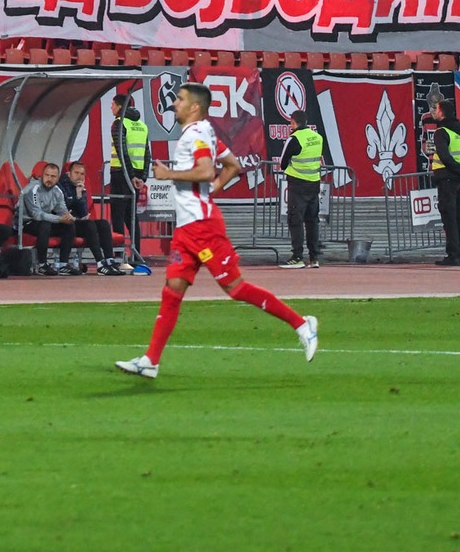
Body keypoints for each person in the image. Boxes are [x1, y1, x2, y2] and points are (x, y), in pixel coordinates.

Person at [115, 82, 318, 380]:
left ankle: (302, 324)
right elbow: (232, 165)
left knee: (235, 288)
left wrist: (169, 174)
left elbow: (206, 170)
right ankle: (150, 360)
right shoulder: (206, 131)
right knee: (172, 289)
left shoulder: (195, 134)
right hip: (187, 228)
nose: (174, 104)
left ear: (194, 107)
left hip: (203, 227)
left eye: (180, 99)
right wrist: (211, 191)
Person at [278, 109, 332, 269]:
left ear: (293, 122)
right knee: (312, 221)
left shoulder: (294, 139)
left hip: (297, 184)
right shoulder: (318, 137)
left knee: (295, 220)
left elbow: (282, 163)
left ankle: (297, 257)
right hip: (314, 183)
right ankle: (314, 258)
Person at [108, 93, 151, 272]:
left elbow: (122, 151)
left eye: (113, 104)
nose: (111, 108)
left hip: (121, 173)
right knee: (131, 217)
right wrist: (142, 177)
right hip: (136, 176)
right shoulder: (142, 126)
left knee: (118, 215)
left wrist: (130, 175)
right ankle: (136, 256)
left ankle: (119, 257)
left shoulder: (119, 123)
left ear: (120, 106)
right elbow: (147, 153)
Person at [19, 162, 82, 275]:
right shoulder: (33, 189)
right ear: (42, 175)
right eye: (47, 175)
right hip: (26, 223)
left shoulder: (57, 191)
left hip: (45, 221)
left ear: (58, 178)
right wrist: (59, 219)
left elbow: (62, 210)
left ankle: (63, 265)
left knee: (69, 225)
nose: (49, 179)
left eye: (53, 176)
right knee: (45, 224)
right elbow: (36, 214)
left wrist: (69, 217)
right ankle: (42, 265)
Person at [62, 161, 124, 274]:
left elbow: (83, 212)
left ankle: (110, 261)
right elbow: (64, 208)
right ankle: (100, 263)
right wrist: (76, 198)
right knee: (89, 224)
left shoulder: (81, 187)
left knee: (103, 223)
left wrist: (80, 195)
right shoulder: (61, 186)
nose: (79, 176)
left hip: (79, 222)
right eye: (76, 173)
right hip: (66, 223)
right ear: (69, 174)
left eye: (82, 174)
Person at [433, 104, 460, 267]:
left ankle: (453, 255)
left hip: (447, 179)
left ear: (442, 113)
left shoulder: (442, 132)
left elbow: (444, 156)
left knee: (449, 218)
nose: (435, 112)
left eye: (437, 109)